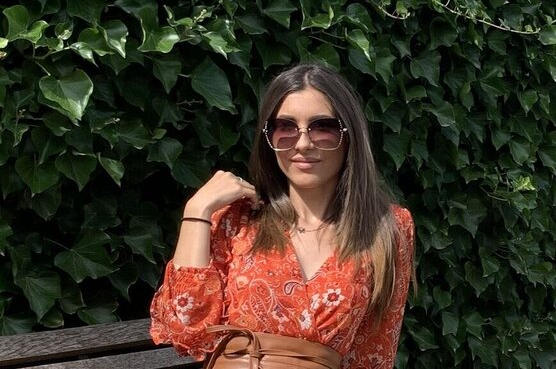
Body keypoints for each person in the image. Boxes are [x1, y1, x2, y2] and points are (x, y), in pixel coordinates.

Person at [150, 63, 415, 368]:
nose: (303, 143)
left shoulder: (386, 227)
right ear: (269, 137)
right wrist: (197, 211)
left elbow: (374, 353)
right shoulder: (237, 220)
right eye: (285, 127)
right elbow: (186, 330)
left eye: (323, 127)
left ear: (349, 134)